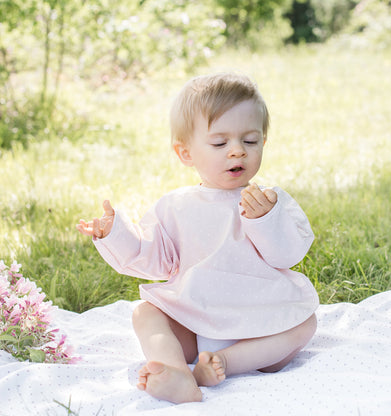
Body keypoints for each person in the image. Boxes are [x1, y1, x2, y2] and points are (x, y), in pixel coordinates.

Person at [77, 73, 319, 404]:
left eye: (250, 141)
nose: (237, 152)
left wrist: (265, 220)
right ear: (186, 153)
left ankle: (223, 364)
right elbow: (154, 257)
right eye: (220, 144)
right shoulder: (176, 205)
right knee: (145, 314)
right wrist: (115, 234)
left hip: (258, 326)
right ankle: (174, 371)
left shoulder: (269, 201)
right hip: (196, 319)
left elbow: (286, 256)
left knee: (304, 323)